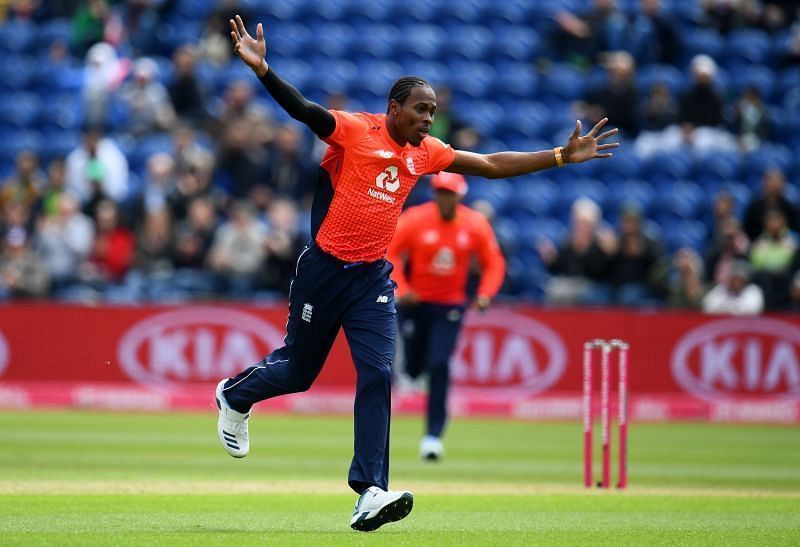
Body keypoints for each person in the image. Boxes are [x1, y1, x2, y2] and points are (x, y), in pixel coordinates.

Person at [215, 15, 618, 533]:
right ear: (394, 109)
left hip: (372, 282)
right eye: (420, 110)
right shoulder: (358, 131)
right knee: (298, 372)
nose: (429, 119)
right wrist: (263, 70)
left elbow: (492, 164)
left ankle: (369, 492)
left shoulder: (426, 153)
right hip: (323, 270)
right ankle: (235, 395)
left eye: (432, 111)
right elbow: (306, 111)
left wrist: (560, 155)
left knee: (380, 373)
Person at [386, 172, 506, 462]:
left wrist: (485, 293)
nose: (445, 198)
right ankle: (415, 375)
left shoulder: (474, 223)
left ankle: (433, 436)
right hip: (415, 304)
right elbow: (389, 253)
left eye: (450, 193)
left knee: (439, 363)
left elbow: (494, 263)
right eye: (440, 192)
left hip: (449, 306)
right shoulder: (415, 219)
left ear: (460, 195)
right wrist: (403, 288)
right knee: (413, 368)